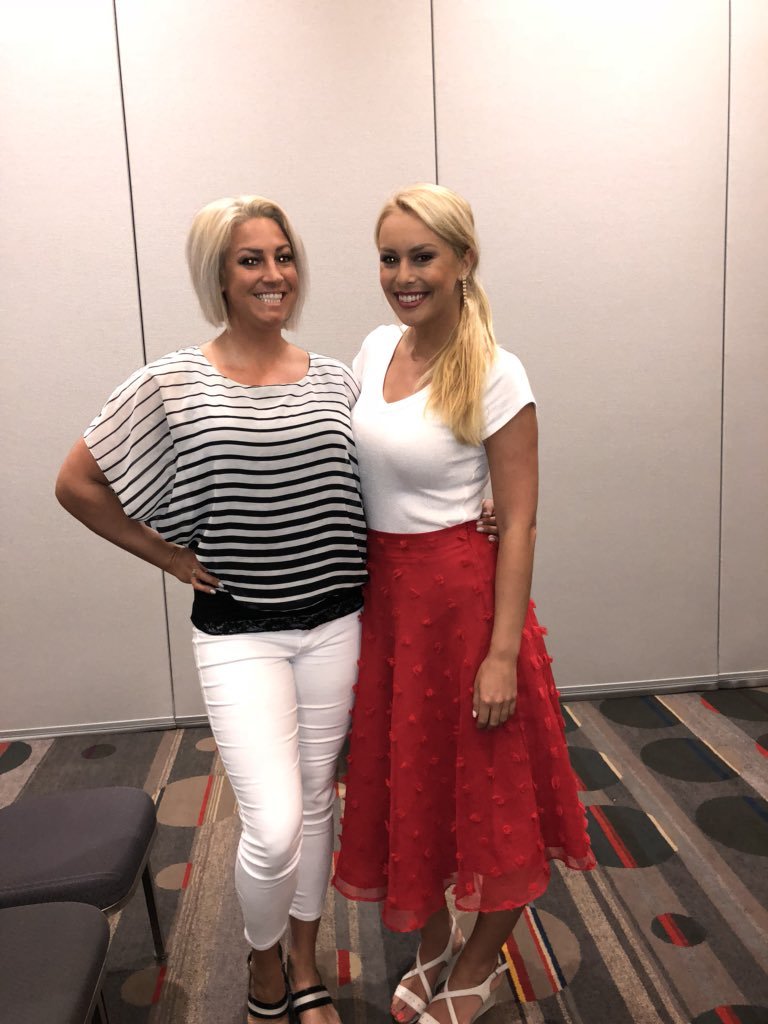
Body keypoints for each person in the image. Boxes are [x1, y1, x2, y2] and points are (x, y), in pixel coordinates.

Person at [332, 184, 595, 1024]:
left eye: (423, 257)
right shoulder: (374, 348)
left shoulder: (495, 370)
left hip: (463, 611)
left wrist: (501, 654)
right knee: (407, 783)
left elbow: (519, 521)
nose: (403, 276)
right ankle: (435, 937)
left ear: (463, 262)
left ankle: (479, 966)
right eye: (389, 258)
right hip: (386, 607)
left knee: (496, 796)